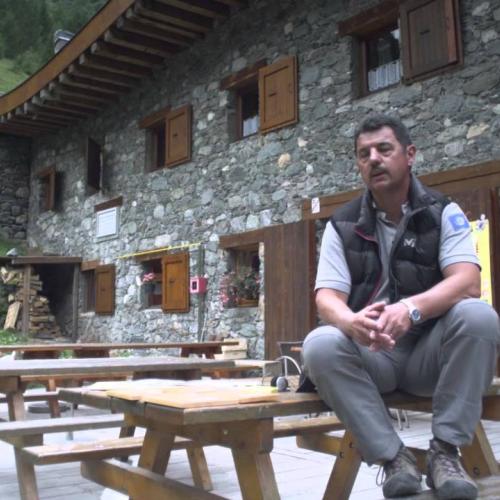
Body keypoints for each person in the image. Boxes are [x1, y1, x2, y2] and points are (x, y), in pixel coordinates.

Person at [301, 114, 500, 500]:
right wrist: (350, 321)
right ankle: (394, 458)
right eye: (364, 154)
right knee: (320, 344)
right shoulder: (340, 226)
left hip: (432, 356)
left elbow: (467, 281)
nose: (373, 158)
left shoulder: (444, 212)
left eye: (384, 149)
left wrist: (410, 309)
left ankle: (444, 453)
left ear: (409, 155)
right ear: (359, 165)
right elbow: (326, 297)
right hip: (373, 357)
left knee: (479, 315)